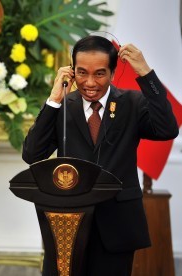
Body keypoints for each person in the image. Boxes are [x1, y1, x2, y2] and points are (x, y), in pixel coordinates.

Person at [22, 35, 179, 275]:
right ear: (72, 71)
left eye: (99, 73)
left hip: (117, 224)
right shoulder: (63, 106)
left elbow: (167, 129)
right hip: (67, 225)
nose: (90, 82)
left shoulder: (132, 103)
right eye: (82, 73)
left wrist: (146, 74)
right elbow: (32, 154)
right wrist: (54, 99)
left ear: (113, 73)